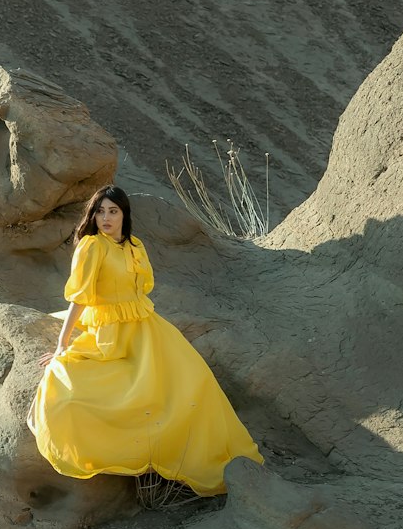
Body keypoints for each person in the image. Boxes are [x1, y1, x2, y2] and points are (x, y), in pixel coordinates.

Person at [28, 184, 262, 496]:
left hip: (145, 326)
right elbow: (80, 299)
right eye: (100, 211)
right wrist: (61, 345)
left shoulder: (135, 245)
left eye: (113, 211)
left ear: (124, 214)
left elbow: (141, 289)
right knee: (75, 395)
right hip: (108, 331)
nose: (106, 218)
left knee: (194, 381)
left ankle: (216, 458)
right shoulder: (92, 247)